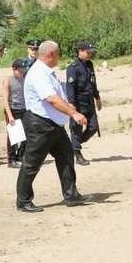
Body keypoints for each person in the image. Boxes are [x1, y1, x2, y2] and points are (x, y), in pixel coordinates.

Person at [15, 40, 88, 213]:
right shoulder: (38, 73)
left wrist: (69, 107)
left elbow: (57, 95)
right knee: (32, 163)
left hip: (54, 124)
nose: (59, 57)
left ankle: (71, 195)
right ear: (51, 55)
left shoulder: (47, 72)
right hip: (40, 125)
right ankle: (23, 200)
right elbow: (51, 98)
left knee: (66, 156)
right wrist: (73, 113)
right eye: (58, 54)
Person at [66, 41, 102, 166]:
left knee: (93, 127)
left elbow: (93, 83)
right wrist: (72, 106)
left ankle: (74, 144)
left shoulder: (89, 64)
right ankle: (77, 154)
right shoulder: (73, 67)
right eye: (88, 52)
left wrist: (97, 97)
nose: (90, 55)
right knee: (76, 129)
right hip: (78, 103)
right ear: (80, 51)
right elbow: (70, 88)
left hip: (89, 101)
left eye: (91, 53)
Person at [3, 59, 27, 168]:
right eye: (19, 70)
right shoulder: (8, 80)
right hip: (12, 109)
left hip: (24, 109)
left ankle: (21, 157)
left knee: (27, 134)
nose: (21, 72)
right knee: (13, 135)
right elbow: (5, 100)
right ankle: (11, 159)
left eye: (23, 70)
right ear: (14, 69)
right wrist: (10, 116)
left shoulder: (25, 79)